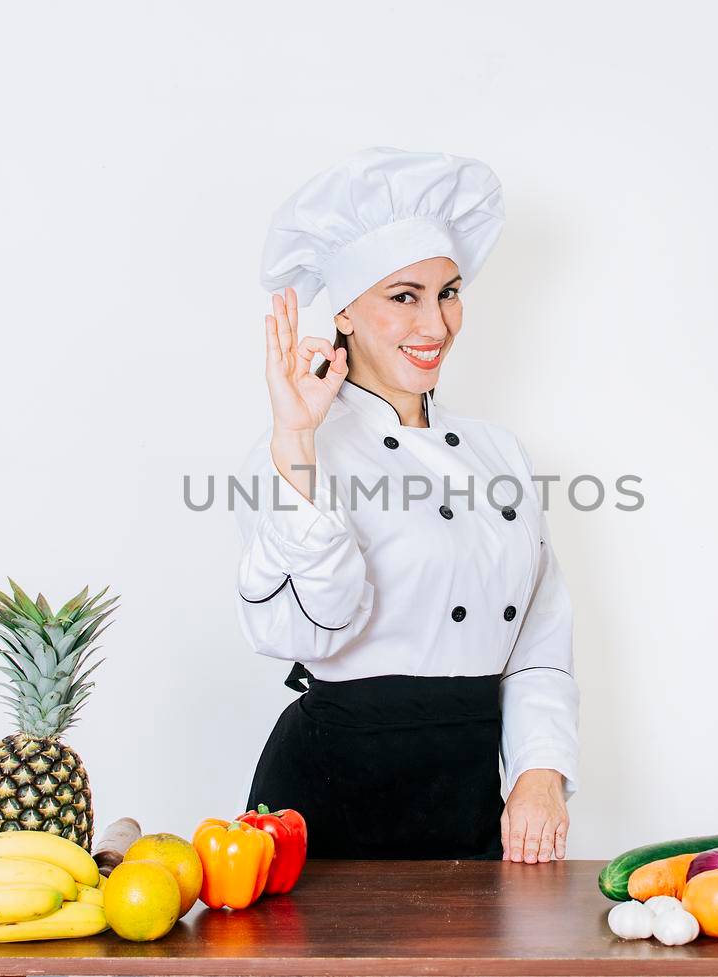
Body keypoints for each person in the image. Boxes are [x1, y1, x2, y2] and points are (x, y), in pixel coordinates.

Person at [233, 147, 579, 863]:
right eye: (403, 296)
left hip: (468, 792)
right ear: (346, 314)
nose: (436, 324)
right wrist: (297, 438)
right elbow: (306, 632)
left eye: (448, 291)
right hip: (329, 796)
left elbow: (540, 633)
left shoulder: (499, 452)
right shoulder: (295, 451)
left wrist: (540, 769)